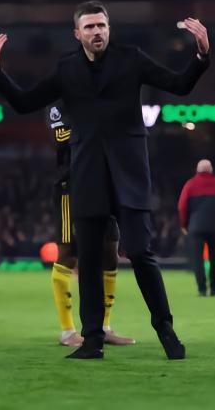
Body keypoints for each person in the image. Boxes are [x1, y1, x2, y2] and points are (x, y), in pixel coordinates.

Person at [0, 0, 210, 359]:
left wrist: (200, 54)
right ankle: (91, 341)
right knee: (89, 260)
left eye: (102, 26)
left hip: (130, 174)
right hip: (88, 174)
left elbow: (179, 85)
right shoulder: (67, 68)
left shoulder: (131, 58)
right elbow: (27, 102)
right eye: (90, 27)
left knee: (140, 253)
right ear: (77, 33)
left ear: (109, 29)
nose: (97, 32)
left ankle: (166, 331)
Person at [46, 102, 135, 347]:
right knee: (68, 253)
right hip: (70, 187)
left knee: (110, 253)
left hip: (104, 185)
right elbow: (61, 138)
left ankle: (104, 327)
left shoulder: (98, 99)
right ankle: (67, 331)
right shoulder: (59, 104)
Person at [177, 159, 215, 296]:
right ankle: (214, 288)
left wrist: (184, 224)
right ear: (211, 170)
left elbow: (182, 206)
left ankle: (202, 289)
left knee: (198, 259)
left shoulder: (190, 185)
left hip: (195, 227)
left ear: (197, 170)